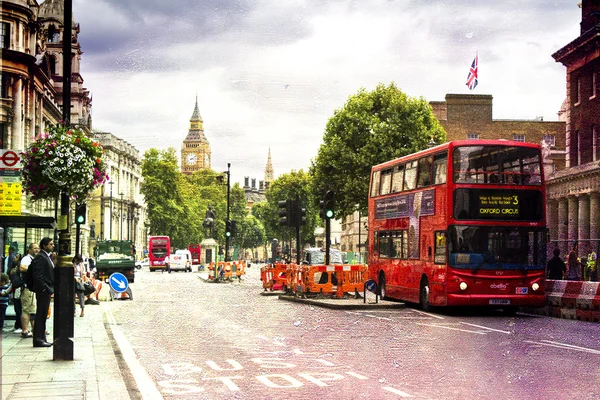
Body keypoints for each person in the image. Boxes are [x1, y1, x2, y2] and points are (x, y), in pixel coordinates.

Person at [32, 237, 55, 347]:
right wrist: (43, 288)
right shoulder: (41, 257)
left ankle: (42, 338)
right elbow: (38, 275)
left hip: (46, 290)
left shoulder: (45, 256)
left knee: (43, 315)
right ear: (44, 245)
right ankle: (38, 339)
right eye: (51, 244)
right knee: (41, 315)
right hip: (43, 291)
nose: (53, 245)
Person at [19, 243, 39, 338]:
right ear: (29, 250)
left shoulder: (33, 259)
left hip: (32, 288)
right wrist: (34, 270)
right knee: (26, 309)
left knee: (32, 309)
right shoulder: (26, 258)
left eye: (38, 248)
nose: (37, 250)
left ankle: (34, 329)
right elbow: (22, 267)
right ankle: (25, 331)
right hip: (27, 288)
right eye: (35, 248)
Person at [8, 253, 23, 334]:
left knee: (19, 309)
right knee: (16, 309)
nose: (14, 258)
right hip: (15, 290)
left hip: (18, 291)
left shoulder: (18, 269)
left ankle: (19, 326)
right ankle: (17, 325)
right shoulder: (14, 269)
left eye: (16, 257)